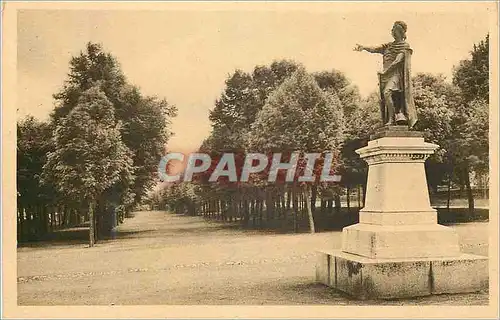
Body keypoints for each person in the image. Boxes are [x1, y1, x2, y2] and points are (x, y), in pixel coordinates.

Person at [354, 21, 418, 128]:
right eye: (392, 30)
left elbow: (398, 61)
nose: (392, 32)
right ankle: (394, 117)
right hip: (386, 76)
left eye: (395, 30)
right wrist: (364, 47)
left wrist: (386, 71)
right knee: (386, 95)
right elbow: (375, 49)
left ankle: (392, 119)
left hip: (396, 74)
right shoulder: (388, 45)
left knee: (387, 92)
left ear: (401, 31)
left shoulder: (405, 46)